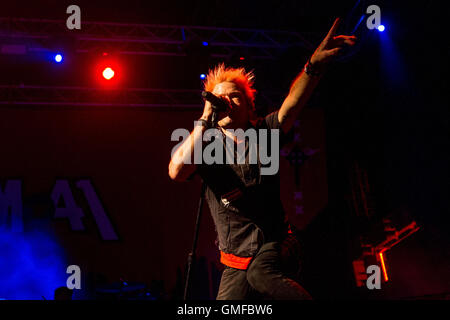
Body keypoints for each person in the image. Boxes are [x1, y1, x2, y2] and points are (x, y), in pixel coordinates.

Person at [169, 18, 356, 300]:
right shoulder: (205, 144)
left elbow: (293, 104)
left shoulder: (264, 132)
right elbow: (177, 171)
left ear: (249, 106)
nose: (227, 102)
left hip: (274, 243)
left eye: (235, 96)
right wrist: (204, 119)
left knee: (261, 274)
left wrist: (313, 66)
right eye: (221, 98)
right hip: (235, 259)